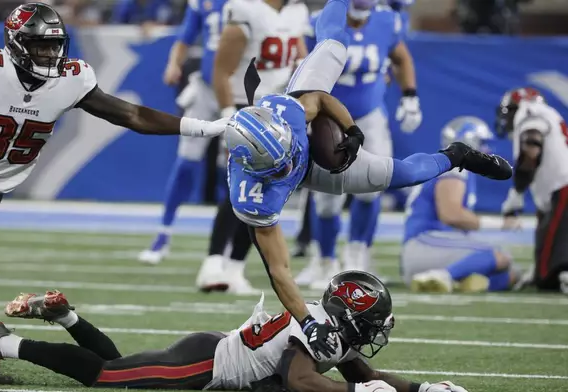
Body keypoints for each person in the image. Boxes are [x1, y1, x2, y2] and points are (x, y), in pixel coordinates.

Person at [223, 0, 512, 361]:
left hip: (330, 128)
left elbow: (321, 99)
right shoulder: (254, 197)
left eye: (289, 151)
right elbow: (279, 270)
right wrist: (309, 323)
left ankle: (459, 155)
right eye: (281, 161)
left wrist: (352, 129)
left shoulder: (290, 110)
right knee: (336, 202)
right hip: (316, 171)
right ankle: (325, 256)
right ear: (258, 167)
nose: (289, 160)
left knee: (405, 171)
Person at [0, 2, 226, 281]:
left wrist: (203, 127)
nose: (50, 54)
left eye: (54, 45)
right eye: (41, 46)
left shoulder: (71, 79)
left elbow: (132, 115)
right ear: (16, 44)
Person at [0, 271, 469, 392]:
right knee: (105, 377)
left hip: (209, 355)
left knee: (120, 369)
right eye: (373, 320)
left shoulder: (335, 330)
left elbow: (360, 373)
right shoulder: (320, 327)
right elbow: (299, 379)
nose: (375, 330)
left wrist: (420, 389)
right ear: (351, 313)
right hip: (201, 366)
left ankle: (67, 317)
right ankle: (2, 342)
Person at [296, 0, 421, 289]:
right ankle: (324, 261)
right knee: (327, 198)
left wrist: (410, 95)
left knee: (373, 186)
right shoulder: (324, 20)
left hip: (370, 116)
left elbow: (401, 57)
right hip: (330, 121)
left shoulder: (388, 20)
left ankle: (357, 256)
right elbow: (303, 66)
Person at [193, 0, 309, 295]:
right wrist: (230, 118)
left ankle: (235, 268)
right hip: (247, 112)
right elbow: (221, 72)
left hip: (278, 115)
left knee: (265, 193)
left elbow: (303, 63)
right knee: (238, 188)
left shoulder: (297, 12)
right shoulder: (245, 10)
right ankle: (213, 263)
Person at [138, 0, 229, 265]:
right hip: (205, 87)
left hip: (237, 93)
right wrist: (174, 63)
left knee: (232, 170)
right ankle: (163, 234)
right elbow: (186, 36)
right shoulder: (204, 3)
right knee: (186, 162)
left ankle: (226, 242)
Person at [402, 116, 518, 293]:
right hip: (425, 243)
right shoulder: (455, 167)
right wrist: (500, 224)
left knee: (509, 275)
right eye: (482, 143)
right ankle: (443, 276)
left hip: (431, 249)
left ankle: (456, 280)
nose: (487, 150)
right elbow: (451, 214)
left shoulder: (449, 167)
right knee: (498, 256)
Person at [497, 87, 568, 293]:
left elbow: (532, 146)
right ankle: (543, 271)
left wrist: (517, 192)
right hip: (558, 186)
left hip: (563, 186)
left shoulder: (528, 112)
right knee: (544, 269)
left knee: (549, 277)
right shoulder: (550, 114)